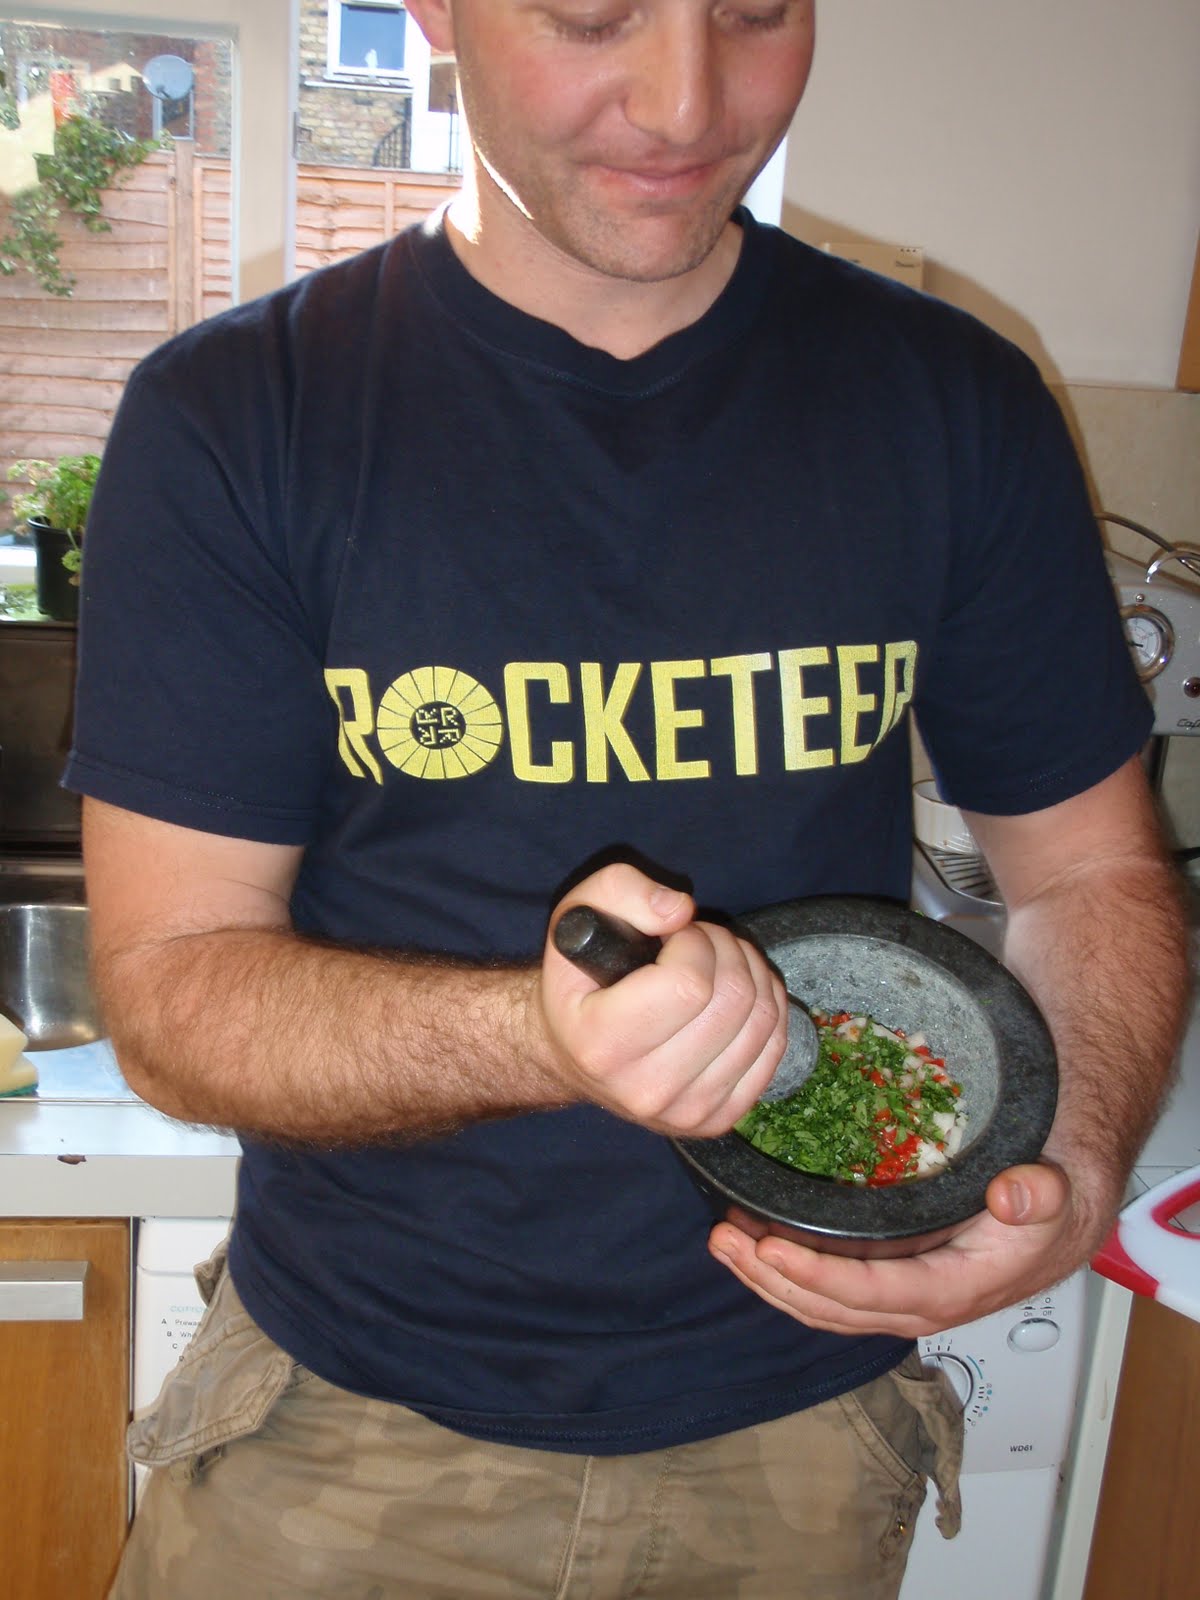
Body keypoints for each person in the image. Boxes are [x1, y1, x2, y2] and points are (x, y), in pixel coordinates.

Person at [69, 2, 1189, 1596]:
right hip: (347, 1436)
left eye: (754, 12)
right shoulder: (240, 419)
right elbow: (173, 993)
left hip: (802, 1440)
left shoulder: (954, 401)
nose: (684, 102)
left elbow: (1089, 874)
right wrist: (543, 1040)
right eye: (595, 12)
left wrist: (1065, 1170)